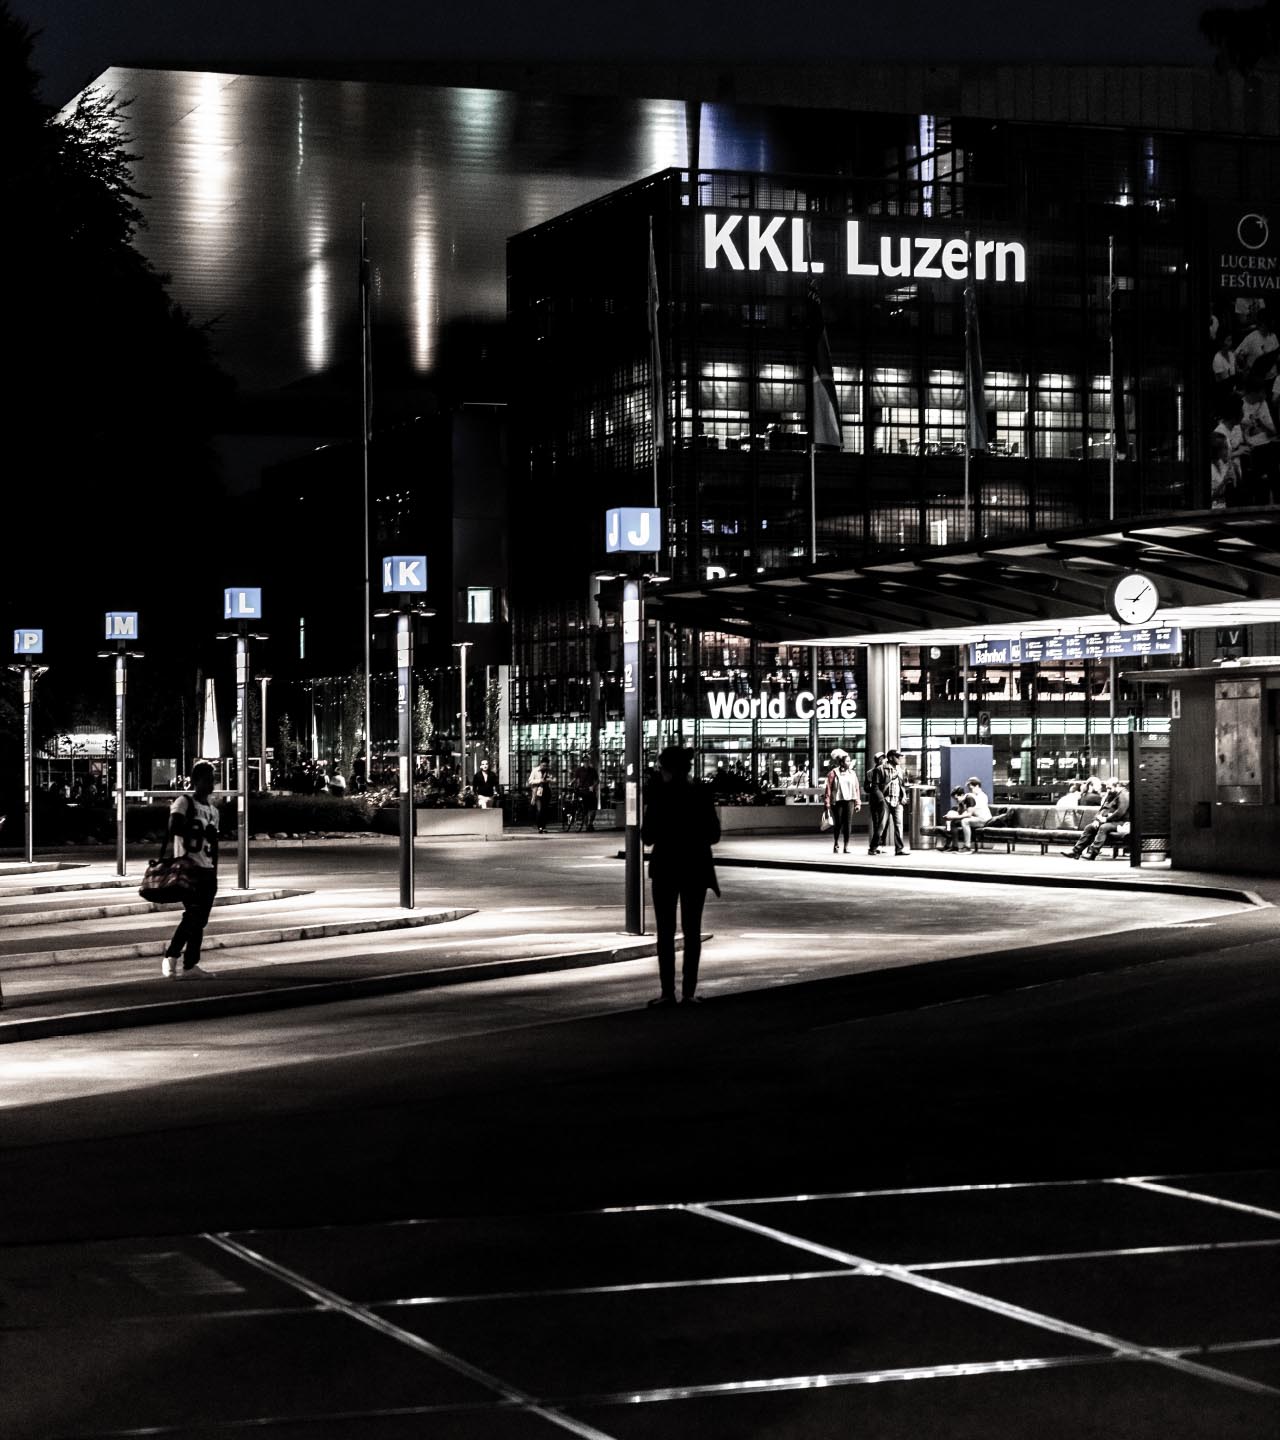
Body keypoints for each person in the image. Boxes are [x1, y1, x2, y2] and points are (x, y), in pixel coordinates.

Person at [641, 746, 720, 1006]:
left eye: (661, 768)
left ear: (670, 769)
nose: (660, 773)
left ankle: (667, 993)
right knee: (692, 930)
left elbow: (648, 836)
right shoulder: (702, 792)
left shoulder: (659, 795)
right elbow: (714, 835)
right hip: (696, 868)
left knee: (665, 932)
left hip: (666, 868)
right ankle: (688, 992)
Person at [160, 761, 220, 978]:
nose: (211, 784)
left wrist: (214, 871)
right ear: (196, 781)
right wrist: (199, 832)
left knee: (200, 919)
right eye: (207, 779)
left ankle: (190, 964)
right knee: (193, 914)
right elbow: (173, 826)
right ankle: (172, 955)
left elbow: (214, 845)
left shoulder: (213, 811)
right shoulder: (184, 802)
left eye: (213, 779)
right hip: (188, 868)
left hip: (207, 869)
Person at [1062, 778, 1130, 860]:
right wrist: (1097, 819)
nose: (1108, 790)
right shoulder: (1112, 794)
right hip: (1111, 821)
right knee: (1090, 827)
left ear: (1117, 786)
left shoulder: (1124, 795)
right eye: (1107, 788)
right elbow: (1103, 808)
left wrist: (1106, 819)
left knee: (1104, 827)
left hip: (1122, 823)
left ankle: (1093, 852)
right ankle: (1076, 851)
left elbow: (1120, 812)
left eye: (1109, 788)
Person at [822, 749, 861, 854]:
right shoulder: (833, 773)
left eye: (849, 761)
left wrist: (858, 803)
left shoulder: (852, 773)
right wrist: (827, 803)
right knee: (838, 823)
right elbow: (828, 789)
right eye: (847, 761)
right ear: (841, 762)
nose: (849, 763)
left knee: (848, 824)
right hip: (837, 801)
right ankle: (836, 843)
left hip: (850, 801)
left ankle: (846, 845)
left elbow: (857, 788)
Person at [875, 750, 909, 855]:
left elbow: (902, 785)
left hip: (897, 801)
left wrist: (904, 796)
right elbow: (876, 786)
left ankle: (899, 849)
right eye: (897, 756)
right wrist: (881, 799)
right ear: (890, 758)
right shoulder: (881, 769)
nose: (899, 759)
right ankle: (874, 846)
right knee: (881, 825)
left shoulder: (900, 770)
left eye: (900, 757)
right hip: (886, 800)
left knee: (899, 826)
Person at [959, 775, 993, 852]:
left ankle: (967, 846)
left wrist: (966, 798)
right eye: (969, 788)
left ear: (977, 786)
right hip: (979, 818)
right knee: (963, 819)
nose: (970, 790)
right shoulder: (973, 796)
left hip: (985, 820)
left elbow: (974, 810)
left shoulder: (983, 796)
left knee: (964, 821)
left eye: (971, 788)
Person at [864, 752, 887, 854]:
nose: (882, 760)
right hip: (875, 800)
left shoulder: (885, 771)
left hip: (883, 799)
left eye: (883, 758)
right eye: (880, 759)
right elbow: (866, 788)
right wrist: (873, 789)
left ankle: (879, 845)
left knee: (881, 824)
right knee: (877, 823)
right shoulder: (870, 773)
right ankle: (874, 846)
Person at [572, 753, 600, 830]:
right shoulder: (579, 770)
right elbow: (576, 779)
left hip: (591, 791)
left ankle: (590, 823)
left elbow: (597, 780)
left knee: (593, 809)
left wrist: (593, 786)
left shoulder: (593, 770)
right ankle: (587, 825)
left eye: (587, 761)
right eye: (584, 761)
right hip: (583, 791)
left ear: (589, 762)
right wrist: (572, 783)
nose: (586, 762)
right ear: (582, 762)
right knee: (585, 809)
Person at [526, 753, 554, 832]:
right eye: (543, 766)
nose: (544, 767)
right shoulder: (535, 770)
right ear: (540, 764)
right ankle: (539, 826)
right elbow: (530, 781)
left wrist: (550, 780)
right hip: (538, 792)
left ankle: (544, 826)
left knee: (545, 809)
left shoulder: (548, 771)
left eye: (546, 766)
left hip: (546, 791)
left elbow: (554, 780)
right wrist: (539, 780)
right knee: (539, 809)